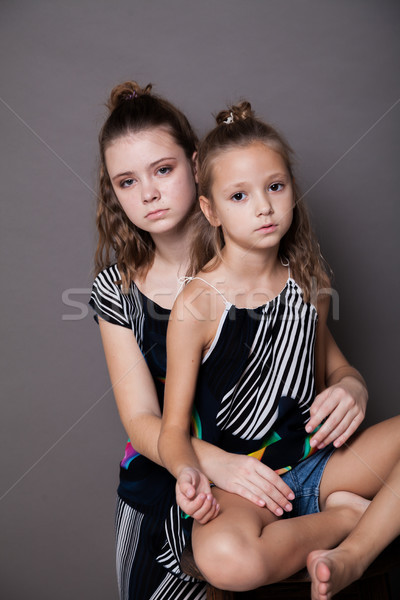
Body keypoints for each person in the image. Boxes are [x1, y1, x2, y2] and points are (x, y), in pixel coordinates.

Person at [158, 101, 400, 596]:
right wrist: (188, 473)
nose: (264, 207)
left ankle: (353, 555)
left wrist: (352, 385)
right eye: (240, 195)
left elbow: (340, 369)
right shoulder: (197, 305)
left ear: (291, 188)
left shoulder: (309, 283)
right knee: (229, 560)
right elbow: (171, 431)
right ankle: (345, 521)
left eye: (275, 187)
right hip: (245, 486)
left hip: (321, 463)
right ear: (211, 210)